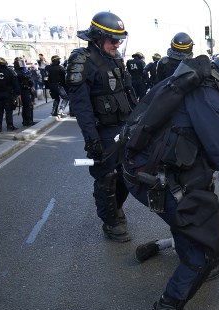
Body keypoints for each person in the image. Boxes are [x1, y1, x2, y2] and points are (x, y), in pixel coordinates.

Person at [122, 48, 219, 310]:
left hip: (143, 174)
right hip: (160, 182)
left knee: (187, 228)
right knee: (207, 249)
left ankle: (190, 265)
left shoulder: (187, 81)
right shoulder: (208, 98)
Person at [66, 11, 137, 242]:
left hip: (124, 127)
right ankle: (111, 221)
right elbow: (81, 106)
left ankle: (116, 207)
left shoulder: (115, 58)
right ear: (97, 37)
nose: (117, 44)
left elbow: (128, 93)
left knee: (129, 174)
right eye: (112, 39)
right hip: (103, 131)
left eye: (119, 40)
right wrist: (91, 139)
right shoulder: (82, 60)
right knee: (106, 177)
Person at [0, 57, 20, 132]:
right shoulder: (10, 71)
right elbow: (15, 83)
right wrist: (16, 93)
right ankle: (10, 125)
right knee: (9, 110)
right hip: (8, 94)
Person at [13, 57, 35, 126]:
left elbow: (29, 80)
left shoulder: (24, 70)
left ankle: (27, 120)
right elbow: (16, 83)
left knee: (27, 106)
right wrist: (18, 93)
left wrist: (31, 85)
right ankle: (28, 120)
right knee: (28, 105)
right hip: (22, 90)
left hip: (27, 89)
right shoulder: (16, 72)